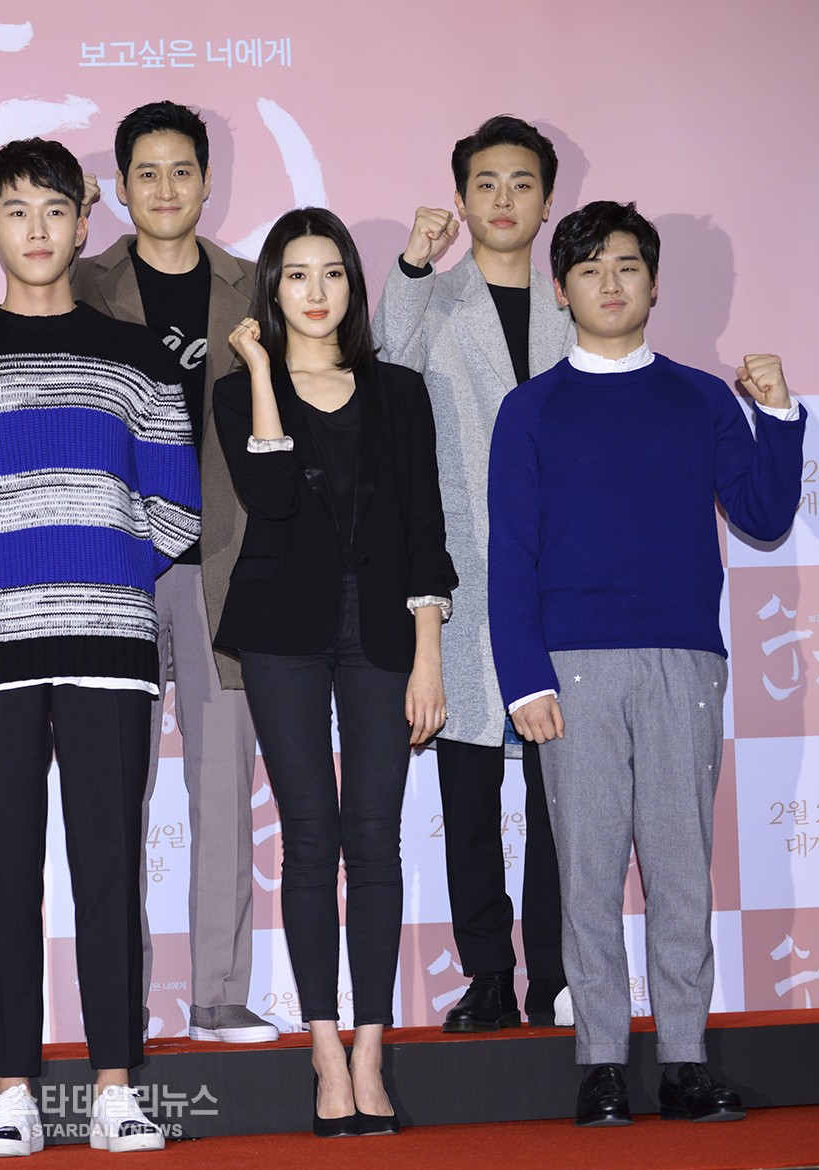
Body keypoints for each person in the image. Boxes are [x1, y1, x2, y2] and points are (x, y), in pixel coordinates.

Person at [0, 137, 199, 1157]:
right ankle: (11, 1089)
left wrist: (95, 574)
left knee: (110, 872)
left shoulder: (138, 356)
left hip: (108, 645)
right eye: (16, 211)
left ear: (84, 222)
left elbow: (177, 513)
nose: (37, 229)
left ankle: (115, 1089)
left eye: (56, 209)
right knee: (7, 874)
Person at [0, 102, 269, 1042]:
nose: (165, 188)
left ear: (207, 182)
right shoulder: (75, 278)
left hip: (223, 560)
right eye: (146, 173)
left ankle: (218, 993)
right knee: (108, 803)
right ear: (115, 193)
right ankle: (117, 1010)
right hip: (106, 566)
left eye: (183, 170)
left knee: (222, 783)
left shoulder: (253, 286)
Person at [487, 201, 803, 1128]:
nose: (611, 283)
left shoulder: (703, 397)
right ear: (561, 289)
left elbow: (765, 515)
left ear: (655, 283)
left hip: (684, 663)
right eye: (590, 269)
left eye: (627, 266)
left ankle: (685, 1062)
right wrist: (524, 676)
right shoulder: (530, 409)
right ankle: (599, 1064)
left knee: (680, 872)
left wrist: (780, 415)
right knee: (585, 876)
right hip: (572, 668)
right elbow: (512, 554)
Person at [215, 208, 455, 1136]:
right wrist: (262, 370)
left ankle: (370, 1050)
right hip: (283, 630)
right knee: (311, 837)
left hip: (385, 633)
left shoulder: (400, 392)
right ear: (272, 290)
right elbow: (270, 498)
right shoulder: (241, 393)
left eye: (333, 274)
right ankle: (323, 1049)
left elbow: (426, 528)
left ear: (354, 286)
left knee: (376, 839)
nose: (315, 293)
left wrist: (429, 657)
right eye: (296, 275)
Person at [372, 114, 575, 1033]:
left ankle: (558, 974)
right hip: (463, 572)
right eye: (485, 183)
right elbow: (387, 365)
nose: (503, 198)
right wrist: (413, 265)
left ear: (547, 200)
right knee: (467, 790)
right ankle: (488, 972)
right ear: (460, 197)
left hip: (565, 576)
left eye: (521, 182)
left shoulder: (577, 303)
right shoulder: (435, 298)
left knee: (561, 792)